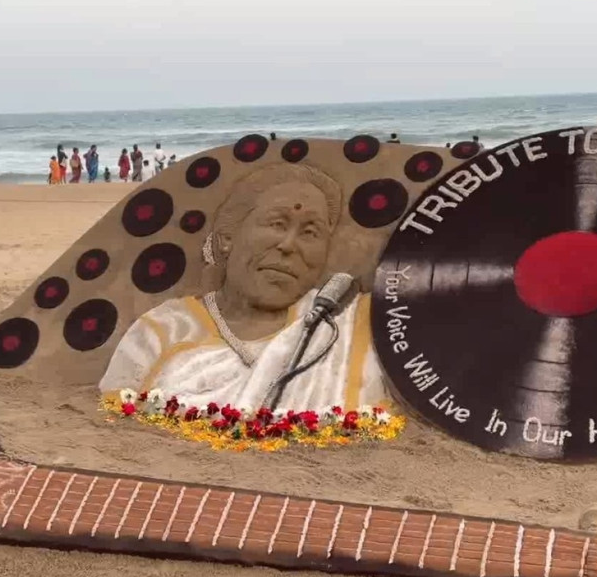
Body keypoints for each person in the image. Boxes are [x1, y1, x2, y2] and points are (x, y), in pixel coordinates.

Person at [99, 162, 387, 413]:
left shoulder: (348, 324)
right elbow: (115, 417)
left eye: (310, 232)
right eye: (276, 223)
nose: (288, 245)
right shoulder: (164, 329)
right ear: (227, 238)